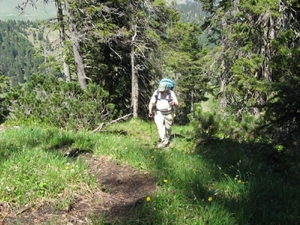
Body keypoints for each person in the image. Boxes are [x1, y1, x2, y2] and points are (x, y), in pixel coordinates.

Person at [148, 82, 179, 148]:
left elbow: (177, 105)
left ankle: (167, 138)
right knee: (160, 127)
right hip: (158, 112)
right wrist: (150, 111)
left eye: (163, 90)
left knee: (168, 128)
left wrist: (174, 103)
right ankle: (164, 141)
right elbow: (151, 102)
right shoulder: (156, 92)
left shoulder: (171, 93)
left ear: (166, 89)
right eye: (160, 90)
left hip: (169, 113)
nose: (161, 92)